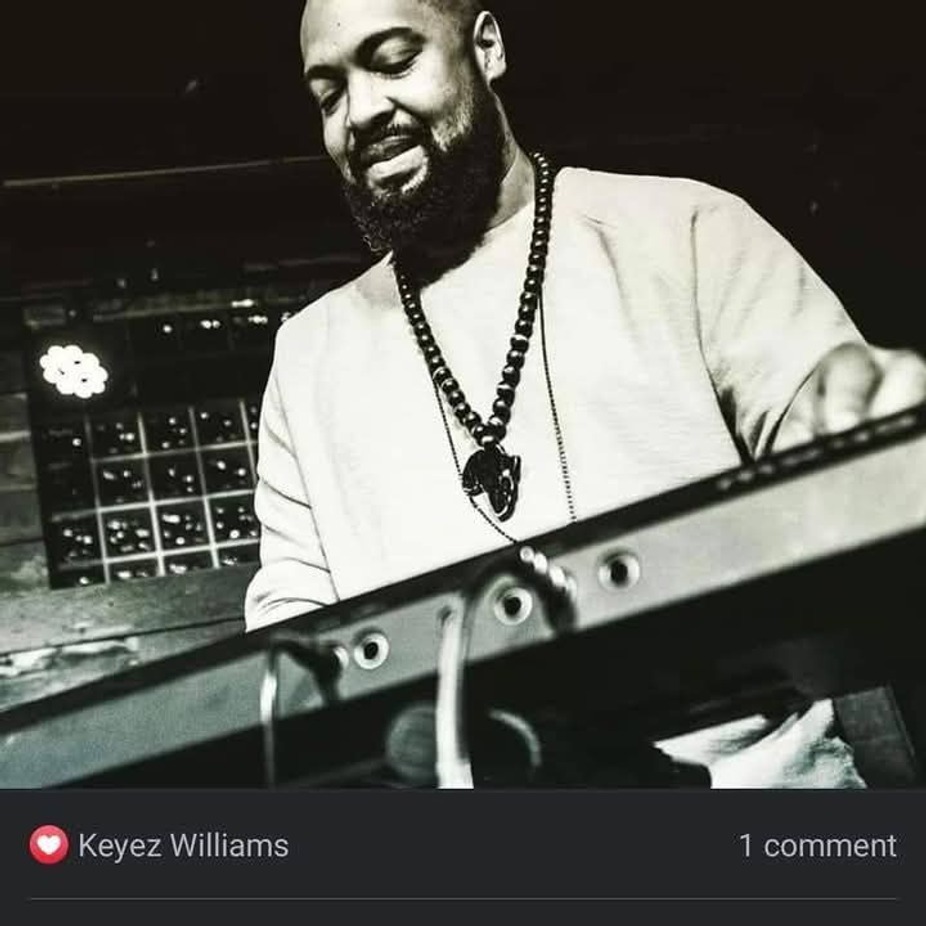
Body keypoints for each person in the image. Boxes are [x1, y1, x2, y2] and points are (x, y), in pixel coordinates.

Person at [244, 0, 926, 787]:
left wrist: (860, 430)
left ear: (487, 48)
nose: (360, 112)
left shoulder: (688, 231)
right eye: (328, 94)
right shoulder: (307, 356)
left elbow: (829, 429)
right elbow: (291, 641)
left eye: (395, 61)